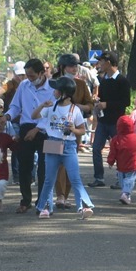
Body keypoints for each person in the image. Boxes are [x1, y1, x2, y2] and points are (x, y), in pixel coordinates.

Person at [0, 59, 54, 213]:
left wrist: (37, 129)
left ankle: (43, 201)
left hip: (47, 131)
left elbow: (53, 114)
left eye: (33, 76)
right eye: (27, 76)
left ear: (42, 73)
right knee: (24, 166)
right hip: (25, 127)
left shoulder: (53, 88)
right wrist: (6, 117)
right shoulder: (23, 86)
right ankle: (25, 200)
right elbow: (15, 106)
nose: (30, 79)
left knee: (45, 167)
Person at [34, 76, 94, 219]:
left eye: (56, 89)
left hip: (69, 145)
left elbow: (82, 130)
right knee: (49, 178)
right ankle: (44, 207)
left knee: (74, 178)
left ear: (64, 93)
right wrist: (42, 105)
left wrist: (73, 129)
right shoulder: (50, 107)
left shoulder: (75, 110)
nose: (54, 91)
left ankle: (84, 206)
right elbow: (34, 116)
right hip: (52, 142)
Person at [50, 53, 94, 208]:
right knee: (55, 164)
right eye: (71, 66)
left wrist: (79, 107)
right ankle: (58, 196)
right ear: (62, 67)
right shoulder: (53, 83)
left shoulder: (81, 84)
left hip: (74, 130)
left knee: (70, 163)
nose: (74, 69)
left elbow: (90, 105)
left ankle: (65, 196)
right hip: (53, 131)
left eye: (76, 66)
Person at [90, 51, 131, 188]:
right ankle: (99, 177)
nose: (99, 64)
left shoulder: (122, 81)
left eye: (101, 61)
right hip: (103, 120)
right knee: (96, 148)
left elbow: (126, 102)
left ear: (108, 63)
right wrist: (97, 102)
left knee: (119, 150)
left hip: (116, 122)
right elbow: (101, 97)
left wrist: (107, 104)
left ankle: (121, 179)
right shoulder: (103, 80)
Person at [107, 114, 136, 204]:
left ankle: (126, 195)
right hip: (133, 164)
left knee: (122, 181)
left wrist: (110, 162)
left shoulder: (115, 139)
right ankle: (126, 194)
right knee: (130, 180)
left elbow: (112, 153)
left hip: (121, 165)